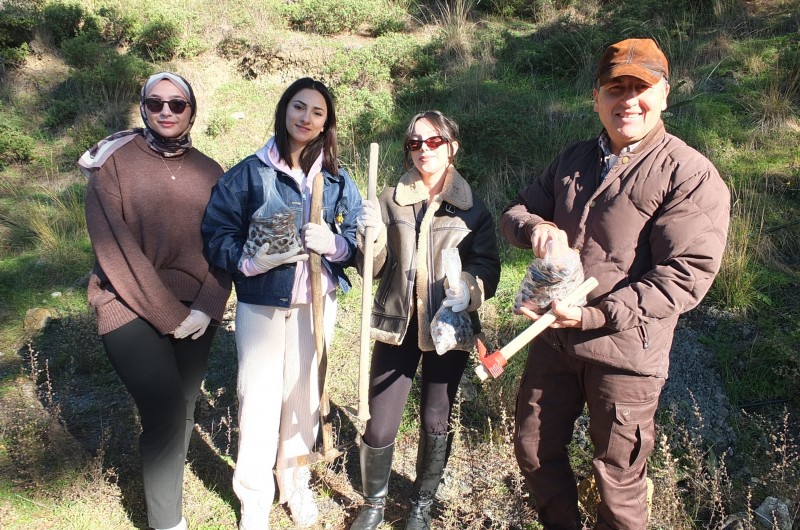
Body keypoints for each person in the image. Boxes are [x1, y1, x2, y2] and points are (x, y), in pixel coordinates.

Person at [500, 38, 731, 530]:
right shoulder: (575, 158)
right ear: (596, 98)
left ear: (664, 94)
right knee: (533, 450)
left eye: (640, 88)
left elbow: (684, 275)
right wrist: (534, 227)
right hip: (554, 340)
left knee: (618, 482)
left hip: (625, 353)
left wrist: (594, 315)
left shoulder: (689, 174)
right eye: (615, 88)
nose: (628, 100)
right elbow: (517, 210)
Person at [201, 77, 362, 530]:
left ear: (326, 123)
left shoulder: (336, 178)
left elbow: (356, 238)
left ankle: (295, 484)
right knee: (258, 399)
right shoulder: (250, 173)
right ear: (284, 110)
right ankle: (255, 498)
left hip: (316, 302)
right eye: (299, 107)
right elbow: (216, 233)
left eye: (317, 112)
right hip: (262, 304)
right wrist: (248, 262)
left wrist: (335, 245)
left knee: (304, 396)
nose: (306, 118)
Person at [81, 72, 231, 530]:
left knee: (183, 409)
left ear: (192, 111)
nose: (166, 111)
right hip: (127, 304)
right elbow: (116, 250)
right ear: (143, 108)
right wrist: (168, 315)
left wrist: (208, 305)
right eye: (155, 103)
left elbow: (225, 245)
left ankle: (168, 493)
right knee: (165, 410)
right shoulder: (113, 166)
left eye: (177, 103)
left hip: (196, 310)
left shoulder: (212, 171)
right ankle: (168, 523)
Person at [352, 110, 501, 530]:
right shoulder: (388, 199)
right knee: (379, 423)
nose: (423, 149)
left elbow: (488, 266)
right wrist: (370, 238)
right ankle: (374, 504)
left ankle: (421, 504)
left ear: (452, 147)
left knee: (437, 419)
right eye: (415, 142)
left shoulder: (472, 209)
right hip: (396, 323)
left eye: (434, 141)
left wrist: (468, 288)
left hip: (447, 329)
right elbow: (372, 269)